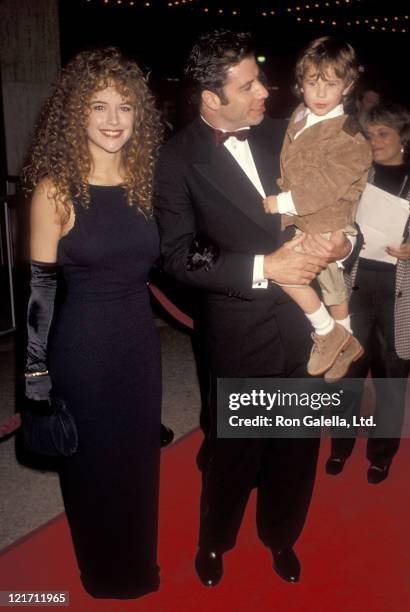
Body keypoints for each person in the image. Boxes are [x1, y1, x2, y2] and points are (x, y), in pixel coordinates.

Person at [155, 29, 352, 586]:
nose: (266, 91)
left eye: (260, 77)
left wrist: (346, 241)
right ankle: (215, 542)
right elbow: (176, 257)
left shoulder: (287, 135)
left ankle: (281, 537)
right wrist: (267, 269)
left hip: (309, 327)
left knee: (295, 445)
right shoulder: (176, 159)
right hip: (240, 328)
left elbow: (340, 195)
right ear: (210, 99)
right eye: (248, 85)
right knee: (233, 451)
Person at [22, 47, 163, 599]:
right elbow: (39, 291)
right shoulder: (55, 189)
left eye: (124, 108)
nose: (112, 120)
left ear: (139, 116)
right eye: (98, 106)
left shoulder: (144, 182)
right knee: (92, 470)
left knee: (136, 466)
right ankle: (103, 576)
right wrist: (35, 376)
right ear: (75, 113)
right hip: (83, 350)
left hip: (139, 347)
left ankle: (137, 568)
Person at [325, 102, 410, 484]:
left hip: (402, 292)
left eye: (382, 133)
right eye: (369, 135)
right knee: (346, 374)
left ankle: (382, 453)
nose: (373, 141)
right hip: (354, 286)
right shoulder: (354, 176)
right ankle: (340, 445)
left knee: (391, 379)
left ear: (404, 137)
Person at [263, 36, 372, 379]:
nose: (321, 93)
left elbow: (325, 186)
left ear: (348, 85)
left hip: (328, 217)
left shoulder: (350, 136)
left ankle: (330, 334)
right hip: (308, 220)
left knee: (291, 277)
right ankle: (347, 344)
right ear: (300, 84)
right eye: (313, 83)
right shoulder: (298, 115)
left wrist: (283, 202)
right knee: (330, 285)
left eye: (331, 84)